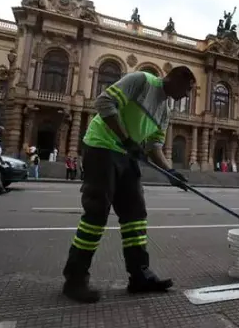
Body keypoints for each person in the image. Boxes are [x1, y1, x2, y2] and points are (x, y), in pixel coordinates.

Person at [61, 67, 195, 303]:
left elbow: (154, 146)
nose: (187, 95)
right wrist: (126, 139)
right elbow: (103, 103)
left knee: (136, 217)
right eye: (187, 89)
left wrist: (170, 172)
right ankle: (75, 279)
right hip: (101, 148)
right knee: (96, 215)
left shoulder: (164, 111)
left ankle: (140, 276)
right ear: (175, 79)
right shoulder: (142, 81)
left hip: (126, 155)